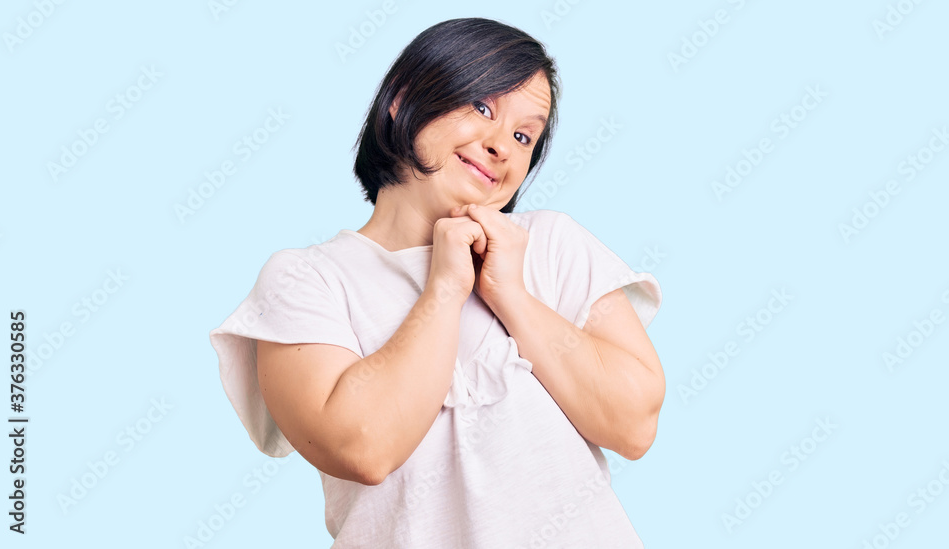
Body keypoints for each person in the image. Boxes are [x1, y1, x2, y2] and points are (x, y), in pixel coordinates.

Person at [210, 17, 665, 548]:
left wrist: (511, 294)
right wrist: (446, 288)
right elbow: (363, 446)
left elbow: (635, 424)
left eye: (524, 136)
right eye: (481, 107)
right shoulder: (305, 281)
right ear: (403, 99)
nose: (502, 146)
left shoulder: (551, 245)